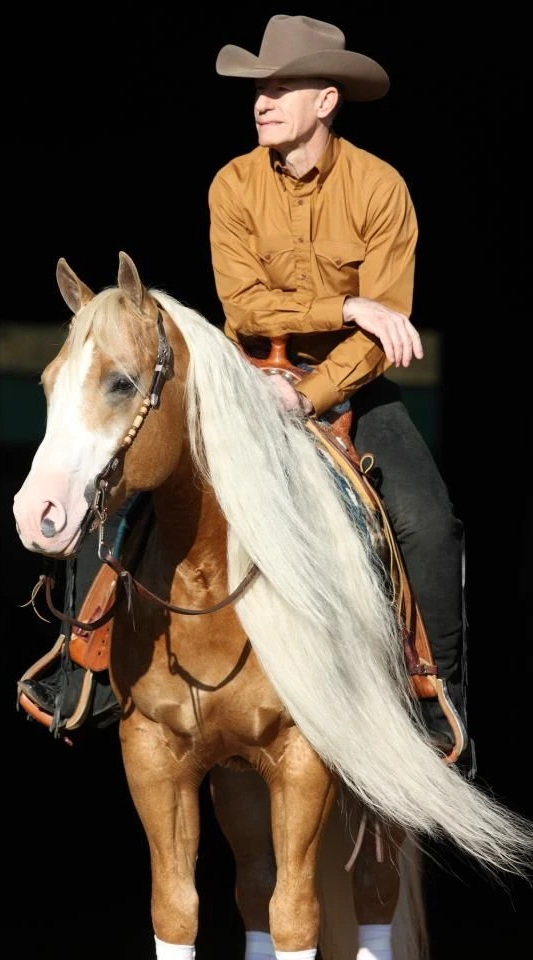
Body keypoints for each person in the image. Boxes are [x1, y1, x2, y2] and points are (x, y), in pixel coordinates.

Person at [208, 14, 474, 779]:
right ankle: (78, 661)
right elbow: (246, 308)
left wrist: (312, 393)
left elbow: (386, 334)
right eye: (259, 86)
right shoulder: (232, 183)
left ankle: (437, 698)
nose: (263, 99)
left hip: (350, 380)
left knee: (431, 522)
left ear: (325, 100)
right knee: (129, 475)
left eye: (282, 85)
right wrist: (345, 306)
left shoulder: (380, 187)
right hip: (247, 371)